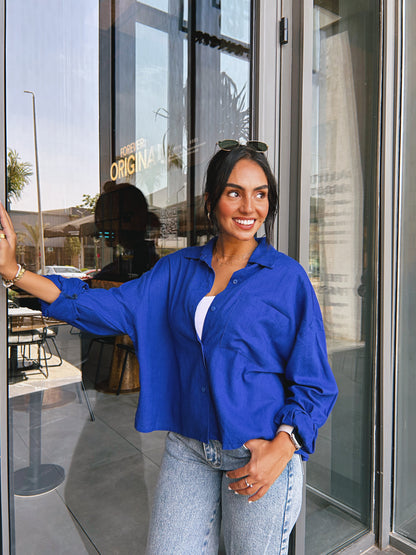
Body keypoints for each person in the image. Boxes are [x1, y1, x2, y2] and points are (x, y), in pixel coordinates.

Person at [0, 142, 338, 554]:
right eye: (235, 192)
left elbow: (315, 383)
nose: (249, 206)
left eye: (260, 193)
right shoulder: (178, 269)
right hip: (189, 446)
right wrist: (14, 271)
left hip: (258, 452)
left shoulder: (287, 278)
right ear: (212, 202)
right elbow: (105, 304)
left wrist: (282, 449)